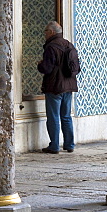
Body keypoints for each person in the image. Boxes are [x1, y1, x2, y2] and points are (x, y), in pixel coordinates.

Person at [37, 20, 80, 154]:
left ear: (51, 32)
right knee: (66, 116)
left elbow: (47, 68)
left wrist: (40, 64)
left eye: (45, 31)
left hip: (55, 86)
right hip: (69, 85)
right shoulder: (69, 45)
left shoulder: (51, 46)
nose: (44, 34)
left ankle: (54, 146)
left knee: (54, 116)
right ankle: (69, 144)